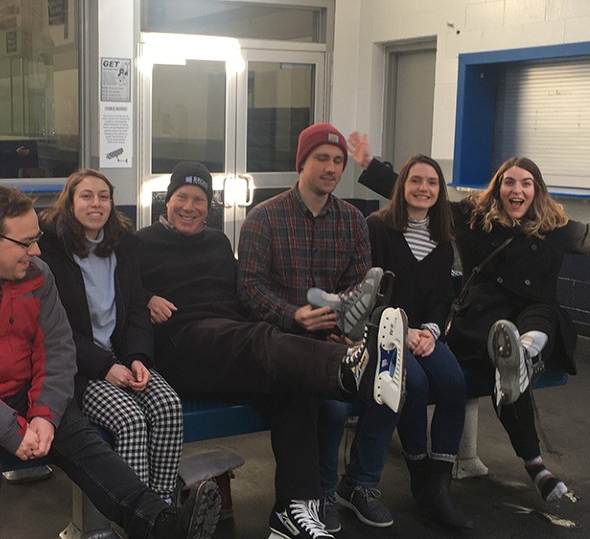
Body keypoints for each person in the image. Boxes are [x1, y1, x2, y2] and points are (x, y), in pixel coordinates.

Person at [0, 183, 221, 539]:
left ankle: (162, 525)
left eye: (36, 238)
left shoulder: (36, 274)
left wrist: (45, 413)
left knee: (87, 445)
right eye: (26, 243)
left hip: (22, 390)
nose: (36, 250)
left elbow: (56, 347)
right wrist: (12, 429)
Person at [136, 160, 407, 539]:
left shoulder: (218, 242)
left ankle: (293, 509)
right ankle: (352, 371)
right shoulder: (142, 243)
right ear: (167, 201)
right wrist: (145, 298)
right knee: (258, 340)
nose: (189, 206)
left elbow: (245, 294)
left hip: (230, 342)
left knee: (292, 383)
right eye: (181, 197)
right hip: (183, 345)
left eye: (198, 199)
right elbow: (116, 292)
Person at [353, 132, 590, 503]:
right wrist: (370, 164)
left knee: (537, 321)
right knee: (501, 355)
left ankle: (522, 356)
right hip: (484, 324)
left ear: (537, 190)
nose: (517, 190)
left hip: (534, 322)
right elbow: (423, 193)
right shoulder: (474, 217)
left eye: (526, 184)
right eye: (509, 182)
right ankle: (534, 461)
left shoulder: (559, 226)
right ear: (497, 189)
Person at [236, 122, 402, 533]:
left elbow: (360, 285)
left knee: (397, 382)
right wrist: (293, 315)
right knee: (331, 404)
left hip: (339, 339)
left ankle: (360, 484)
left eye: (338, 161)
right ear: (302, 162)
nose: (331, 168)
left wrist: (350, 326)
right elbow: (250, 287)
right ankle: (322, 492)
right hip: (286, 343)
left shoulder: (353, 221)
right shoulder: (263, 219)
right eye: (321, 159)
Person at [39, 169, 183, 503]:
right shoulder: (51, 251)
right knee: (130, 420)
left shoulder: (123, 246)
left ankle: (160, 508)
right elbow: (53, 330)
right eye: (86, 196)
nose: (96, 203)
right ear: (70, 201)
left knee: (168, 405)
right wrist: (104, 367)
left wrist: (138, 358)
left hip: (119, 355)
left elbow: (135, 310)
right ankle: (136, 515)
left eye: (104, 196)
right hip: (79, 368)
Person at [364, 154, 472, 528]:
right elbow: (370, 292)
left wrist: (430, 331)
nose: (423, 188)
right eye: (415, 181)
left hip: (424, 333)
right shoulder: (376, 228)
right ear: (402, 185)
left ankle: (438, 487)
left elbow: (444, 296)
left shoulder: (443, 239)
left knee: (455, 383)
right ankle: (418, 474)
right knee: (416, 382)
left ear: (440, 191)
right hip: (385, 333)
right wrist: (401, 331)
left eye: (432, 182)